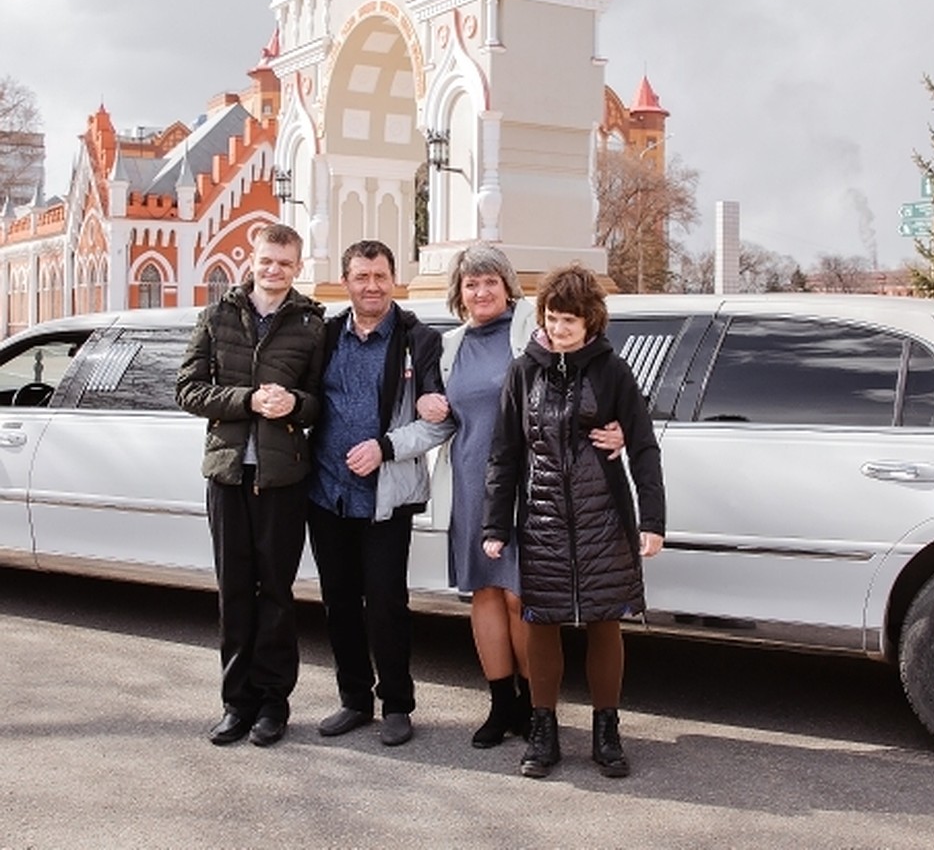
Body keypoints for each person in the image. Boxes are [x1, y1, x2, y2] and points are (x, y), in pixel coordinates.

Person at [422, 243, 625, 750]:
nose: (481, 291)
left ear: (509, 286)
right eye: (471, 283)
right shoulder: (449, 347)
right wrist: (398, 436)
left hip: (533, 481)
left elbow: (589, 375)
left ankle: (539, 710)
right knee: (485, 595)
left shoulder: (532, 331)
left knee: (522, 598)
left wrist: (617, 429)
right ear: (459, 292)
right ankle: (501, 705)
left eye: (490, 281)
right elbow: (444, 419)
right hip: (471, 483)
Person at [482, 263, 665, 779]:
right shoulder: (524, 371)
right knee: (542, 620)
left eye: (568, 320)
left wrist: (652, 519)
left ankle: (607, 730)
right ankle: (544, 730)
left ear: (591, 322)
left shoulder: (612, 371)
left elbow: (645, 447)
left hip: (603, 520)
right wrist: (495, 526)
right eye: (551, 318)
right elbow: (504, 455)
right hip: (541, 520)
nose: (558, 329)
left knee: (606, 619)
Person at [176, 222, 325, 748]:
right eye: (266, 260)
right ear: (252, 259)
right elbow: (188, 390)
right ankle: (235, 704)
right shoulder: (216, 317)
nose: (274, 270)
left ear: (297, 267)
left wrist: (294, 406)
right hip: (228, 474)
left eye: (284, 263)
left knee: (277, 594)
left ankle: (273, 704)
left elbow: (319, 402)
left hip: (283, 478)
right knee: (234, 591)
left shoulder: (311, 325)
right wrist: (247, 401)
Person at [307, 239, 446, 747]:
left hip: (386, 497)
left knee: (386, 602)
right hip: (326, 493)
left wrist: (385, 448)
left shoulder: (419, 341)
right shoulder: (323, 337)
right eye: (362, 277)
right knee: (338, 602)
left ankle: (397, 705)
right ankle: (354, 701)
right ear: (346, 281)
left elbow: (439, 422)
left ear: (395, 279)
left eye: (380, 276)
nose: (371, 286)